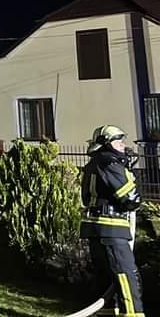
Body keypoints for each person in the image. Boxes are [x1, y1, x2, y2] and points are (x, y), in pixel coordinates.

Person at [81, 125, 146, 317]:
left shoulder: (95, 163)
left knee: (107, 279)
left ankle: (107, 313)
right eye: (119, 142)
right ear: (107, 143)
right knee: (127, 277)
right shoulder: (109, 163)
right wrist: (129, 177)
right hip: (111, 229)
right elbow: (131, 199)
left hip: (98, 229)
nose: (124, 145)